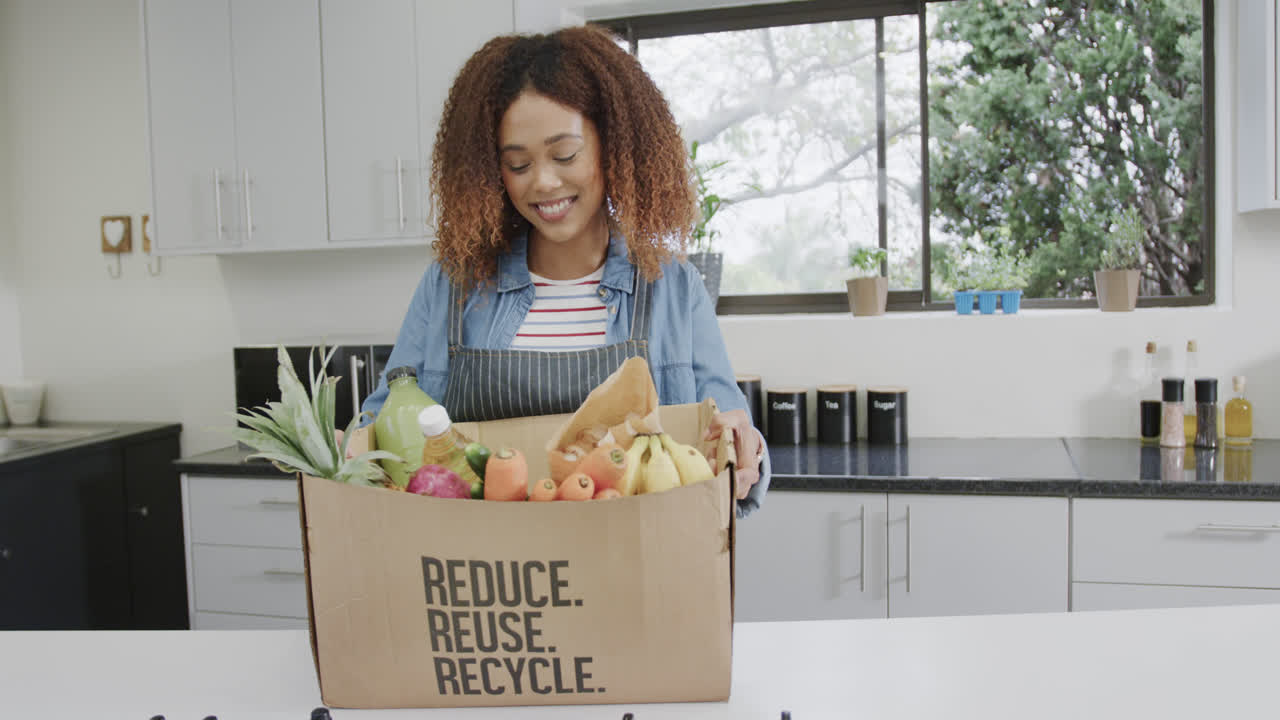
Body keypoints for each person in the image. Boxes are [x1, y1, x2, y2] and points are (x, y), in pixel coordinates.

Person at [360, 24, 769, 516]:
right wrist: (357, 446)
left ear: (612, 146)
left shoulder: (673, 288)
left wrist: (747, 452)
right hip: (487, 578)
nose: (544, 182)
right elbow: (384, 424)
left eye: (565, 154)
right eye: (517, 164)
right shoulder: (452, 286)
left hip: (637, 574)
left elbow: (727, 430)